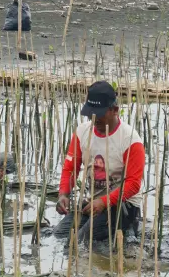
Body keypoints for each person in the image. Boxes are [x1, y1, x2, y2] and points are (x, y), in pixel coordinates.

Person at [54, 81, 145, 243]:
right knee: (60, 235)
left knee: (82, 240)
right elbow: (70, 169)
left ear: (115, 110)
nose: (94, 118)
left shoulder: (130, 139)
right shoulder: (82, 132)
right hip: (93, 203)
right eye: (91, 113)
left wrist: (104, 202)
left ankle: (128, 228)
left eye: (100, 113)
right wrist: (63, 194)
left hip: (123, 206)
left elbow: (133, 184)